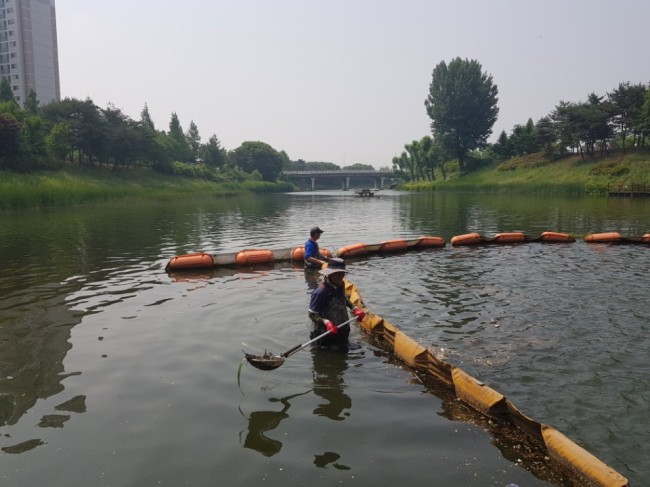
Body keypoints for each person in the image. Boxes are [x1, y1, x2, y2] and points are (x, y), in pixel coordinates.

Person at [307, 258, 366, 347]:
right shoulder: (321, 292)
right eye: (336, 273)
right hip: (324, 334)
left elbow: (343, 298)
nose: (340, 276)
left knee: (343, 356)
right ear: (329, 274)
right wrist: (326, 322)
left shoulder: (341, 284)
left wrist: (355, 308)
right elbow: (312, 314)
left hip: (342, 329)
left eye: (342, 273)